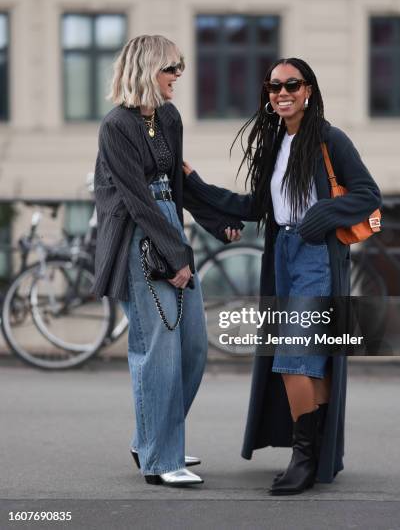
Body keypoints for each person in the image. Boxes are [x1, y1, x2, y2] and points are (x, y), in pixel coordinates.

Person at [183, 57, 381, 495]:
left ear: (308, 90)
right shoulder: (275, 144)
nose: (282, 93)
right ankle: (318, 453)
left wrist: (322, 215)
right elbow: (255, 207)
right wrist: (194, 184)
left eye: (292, 84)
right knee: (308, 358)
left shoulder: (330, 138)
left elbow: (369, 194)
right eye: (274, 87)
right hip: (282, 257)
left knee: (294, 355)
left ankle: (304, 456)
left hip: (316, 257)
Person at [91, 35, 242, 487]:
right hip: (140, 238)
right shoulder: (117, 125)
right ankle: (161, 458)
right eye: (171, 67)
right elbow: (137, 199)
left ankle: (153, 439)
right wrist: (176, 257)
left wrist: (216, 221)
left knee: (193, 347)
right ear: (147, 69)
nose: (179, 75)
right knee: (158, 350)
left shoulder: (168, 117)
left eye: (181, 66)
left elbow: (177, 181)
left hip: (169, 227)